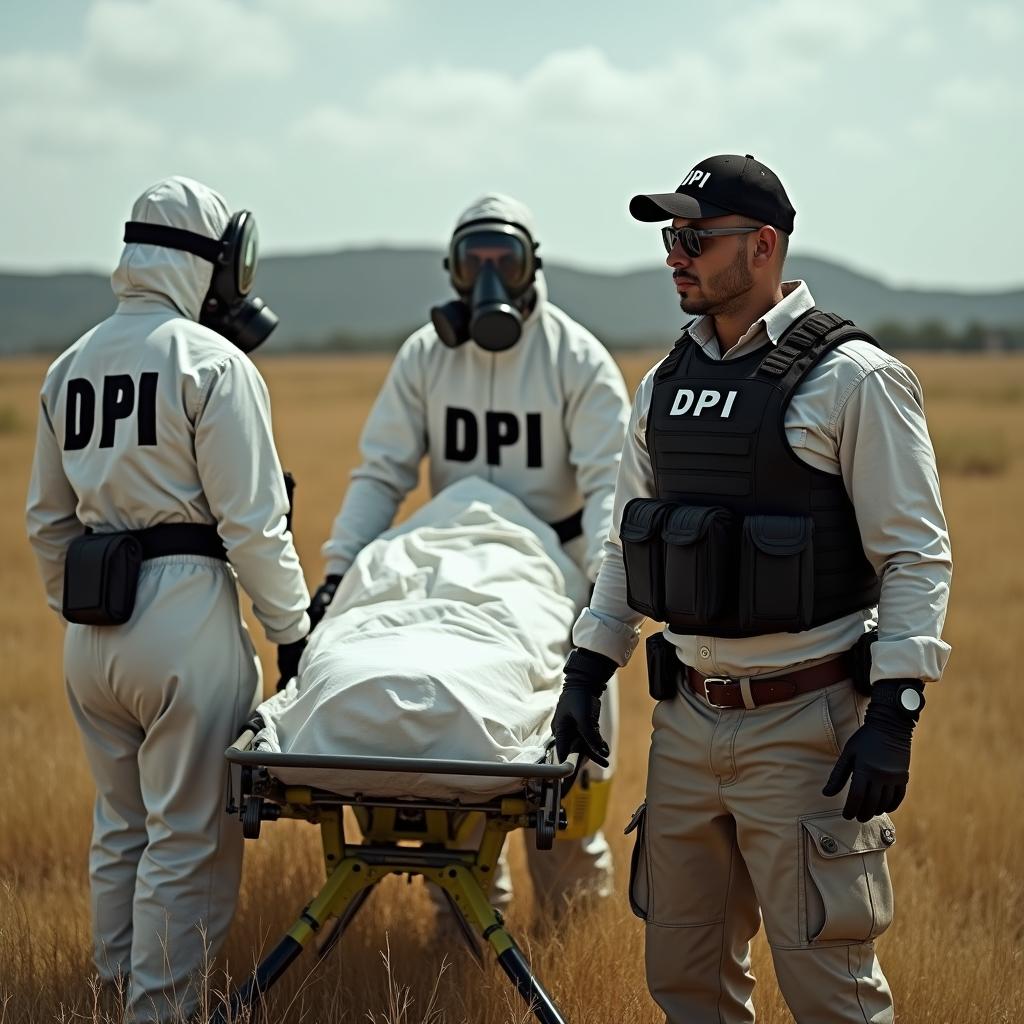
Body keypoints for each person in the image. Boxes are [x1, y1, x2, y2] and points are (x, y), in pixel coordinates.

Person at [553, 154, 951, 1023]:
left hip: (808, 730)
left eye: (695, 237)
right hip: (687, 725)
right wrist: (586, 671)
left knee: (831, 994)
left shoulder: (857, 380)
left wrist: (896, 712)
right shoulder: (663, 387)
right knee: (687, 983)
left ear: (764, 245)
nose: (675, 256)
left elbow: (915, 557)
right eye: (670, 238)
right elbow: (630, 545)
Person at [26, 176, 310, 1023]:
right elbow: (253, 525)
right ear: (209, 262)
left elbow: (47, 525)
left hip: (93, 625)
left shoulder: (68, 365)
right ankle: (162, 1013)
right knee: (187, 839)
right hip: (186, 617)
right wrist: (293, 633)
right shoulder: (212, 362)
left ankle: (109, 992)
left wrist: (83, 611)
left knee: (121, 830)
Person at [312, 193, 631, 910]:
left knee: (574, 793)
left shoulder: (575, 359)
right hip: (455, 566)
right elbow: (383, 471)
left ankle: (573, 933)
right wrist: (339, 574)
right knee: (451, 770)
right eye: (472, 260)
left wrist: (599, 602)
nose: (488, 275)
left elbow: (612, 488)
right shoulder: (426, 356)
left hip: (554, 569)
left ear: (531, 268)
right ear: (452, 271)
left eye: (505, 259)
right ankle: (467, 930)